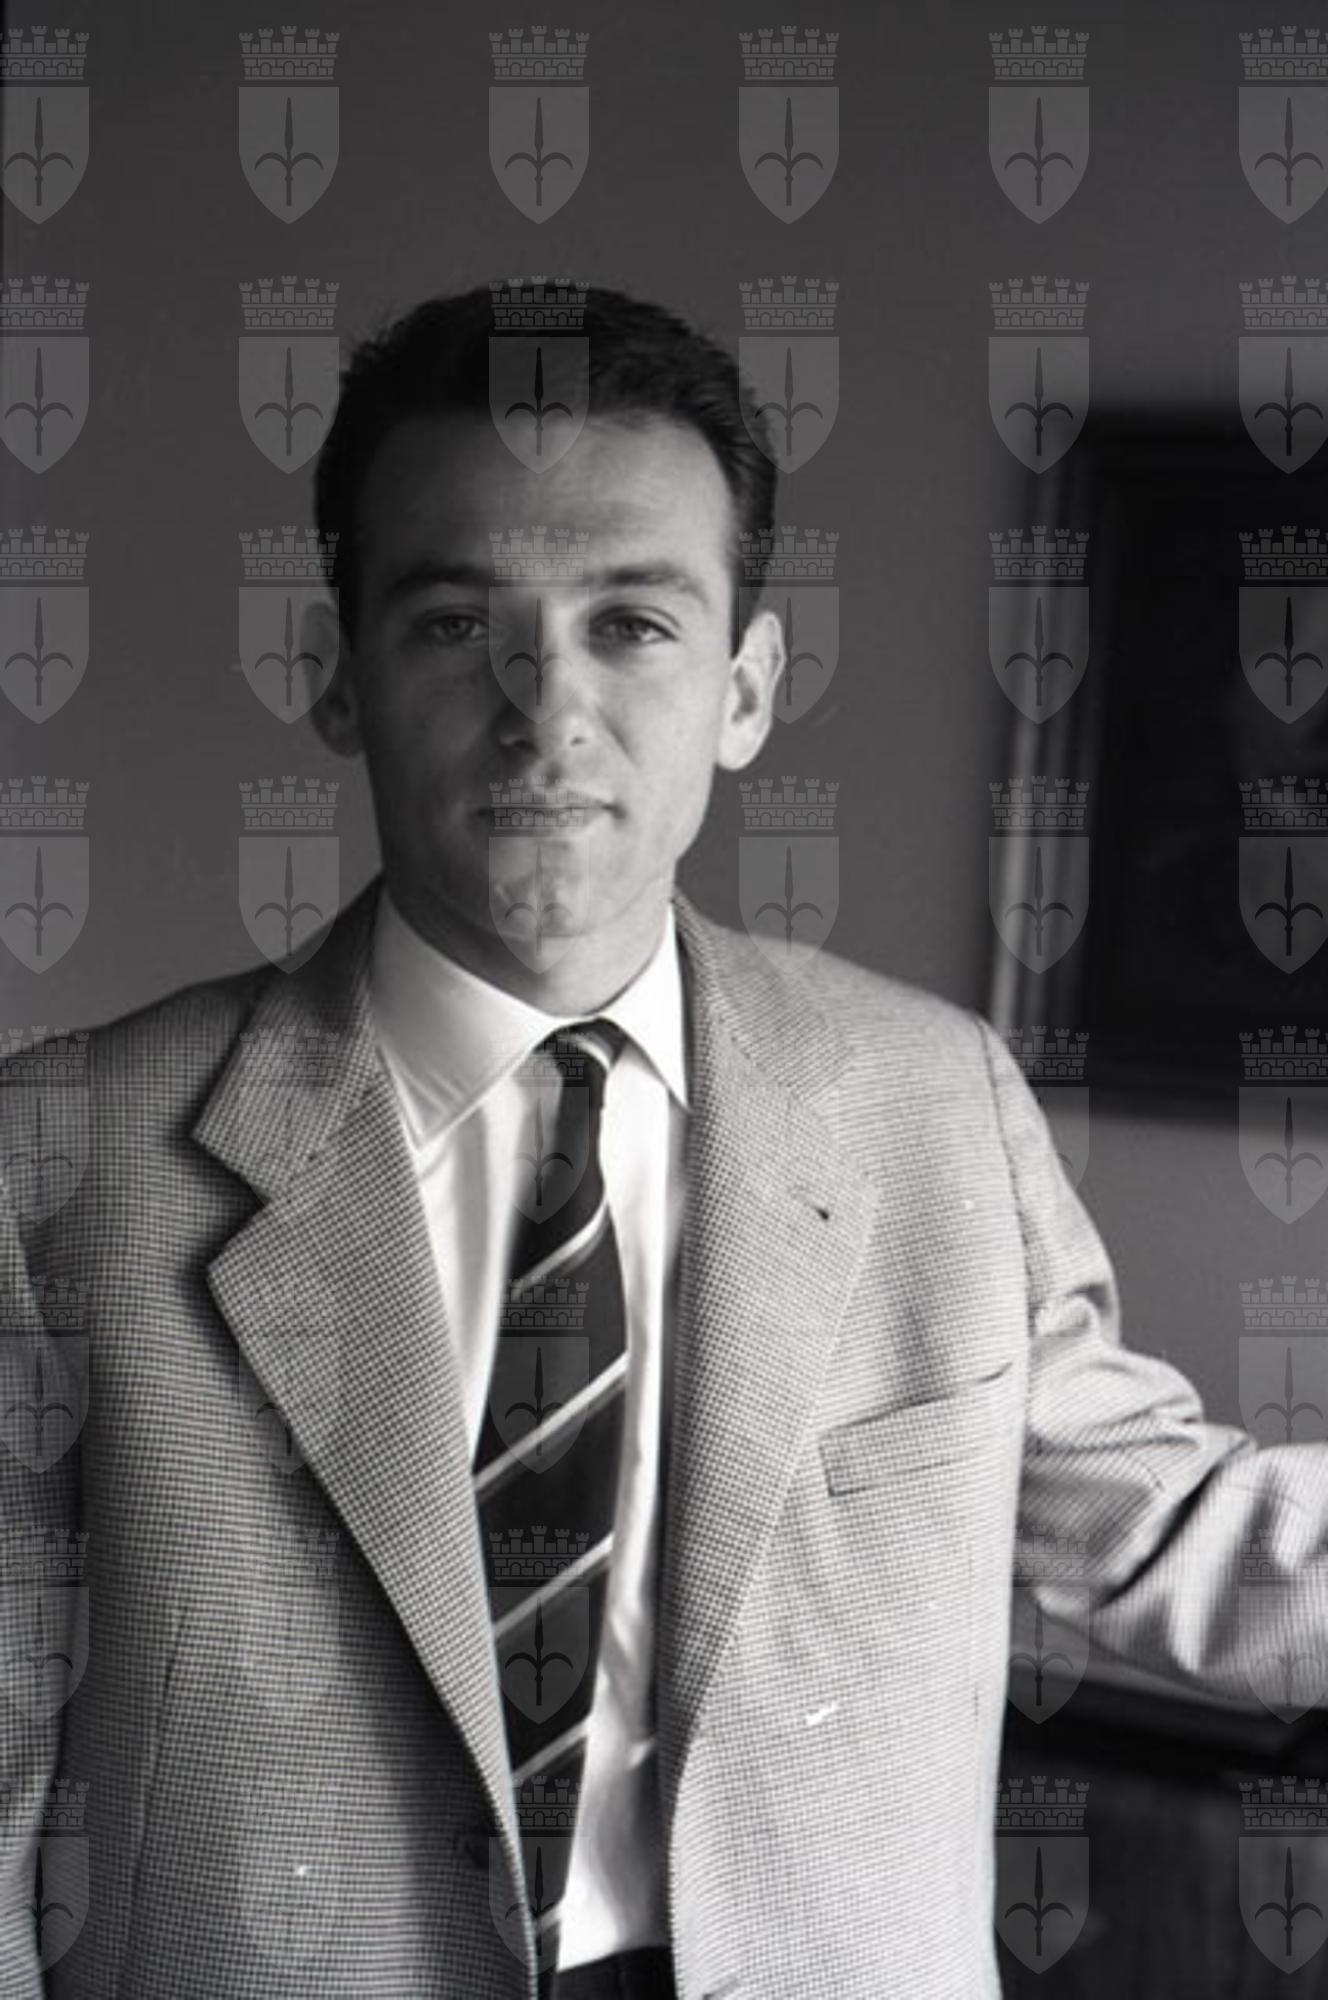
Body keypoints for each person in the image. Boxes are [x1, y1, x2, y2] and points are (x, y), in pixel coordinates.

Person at [3, 284, 1326, 2000]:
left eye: (631, 622)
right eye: (455, 622)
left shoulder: (934, 1104)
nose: (545, 707)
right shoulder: (59, 1160)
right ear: (336, 677)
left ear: (746, 688)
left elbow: (1171, 1535)